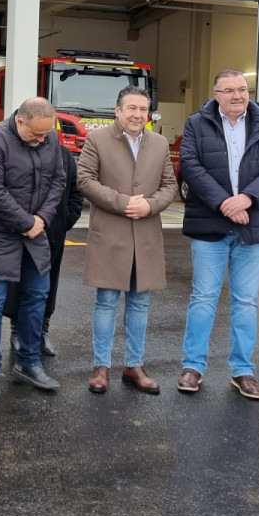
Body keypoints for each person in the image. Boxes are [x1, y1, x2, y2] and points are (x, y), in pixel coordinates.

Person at [177, 70, 259, 400]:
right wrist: (225, 203)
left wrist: (247, 198)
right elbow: (190, 164)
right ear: (216, 95)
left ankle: (243, 371)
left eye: (242, 89)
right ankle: (193, 366)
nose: (237, 95)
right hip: (210, 223)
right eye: (229, 90)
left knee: (245, 301)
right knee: (203, 298)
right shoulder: (197, 123)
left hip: (253, 224)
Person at [77, 86, 178, 395]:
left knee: (140, 302)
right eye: (131, 108)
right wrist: (123, 202)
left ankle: (134, 365)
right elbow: (84, 179)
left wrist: (151, 205)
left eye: (142, 109)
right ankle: (101, 367)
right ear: (117, 111)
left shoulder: (159, 143)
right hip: (111, 232)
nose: (137, 114)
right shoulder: (97, 139)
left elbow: (169, 184)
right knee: (106, 301)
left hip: (145, 234)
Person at [0, 98, 67, 399]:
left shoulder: (49, 137)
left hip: (35, 232)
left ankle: (28, 362)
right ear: (20, 122)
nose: (42, 140)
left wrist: (41, 219)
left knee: (37, 297)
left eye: (46, 135)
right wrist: (26, 221)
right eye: (35, 135)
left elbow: (59, 181)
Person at [3, 139, 83, 358]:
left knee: (48, 285)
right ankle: (17, 330)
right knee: (18, 283)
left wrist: (65, 220)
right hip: (22, 231)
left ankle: (43, 330)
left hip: (53, 234)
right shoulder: (17, 152)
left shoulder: (64, 155)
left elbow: (75, 193)